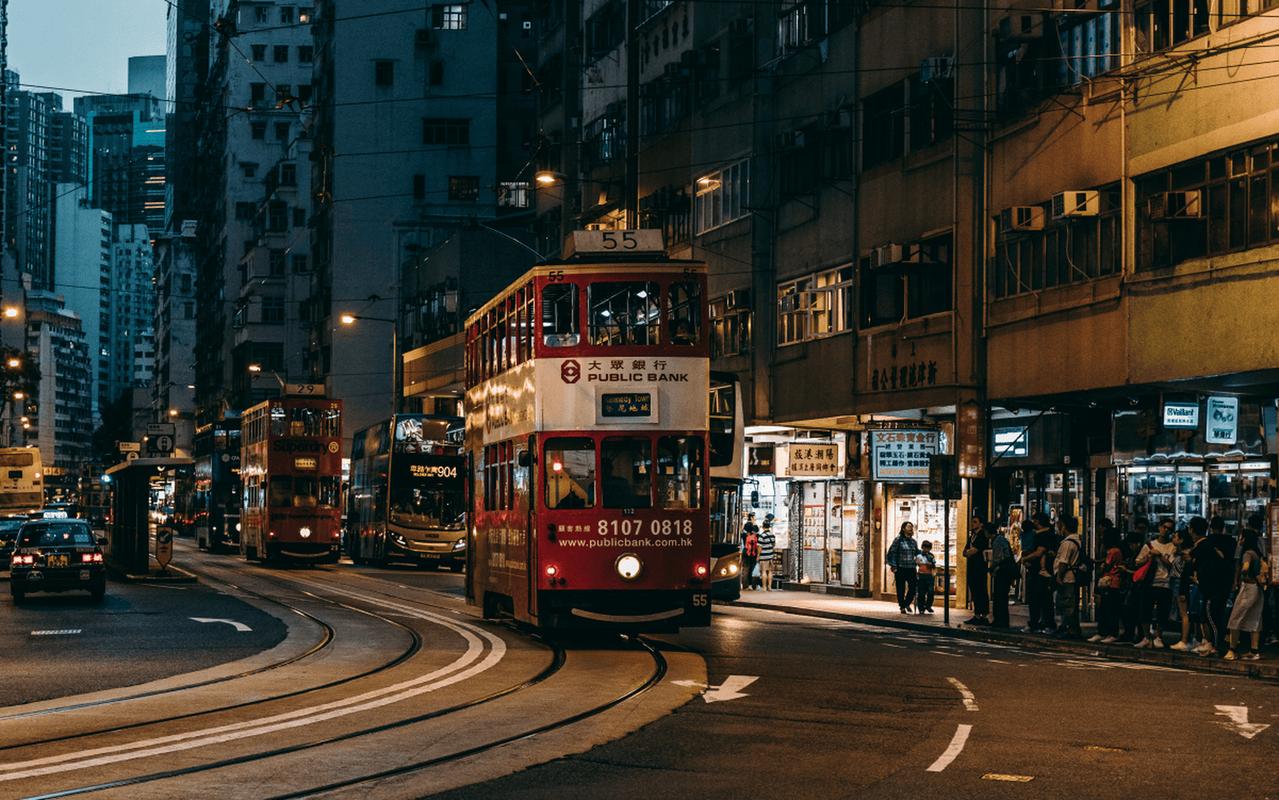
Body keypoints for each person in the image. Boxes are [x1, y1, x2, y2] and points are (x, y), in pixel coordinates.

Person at [1225, 527, 1268, 661]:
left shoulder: (1247, 553)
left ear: (1245, 539)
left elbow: (1245, 567)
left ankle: (1232, 650)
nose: (1239, 540)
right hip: (1259, 588)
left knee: (1235, 618)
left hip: (1249, 587)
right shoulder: (1257, 553)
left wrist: (1243, 575)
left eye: (1241, 537)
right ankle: (1254, 651)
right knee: (1254, 619)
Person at [1195, 515, 1237, 656]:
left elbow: (1194, 558)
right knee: (1219, 613)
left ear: (1211, 528)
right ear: (1223, 527)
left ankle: (1214, 644)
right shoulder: (1231, 542)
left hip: (1211, 584)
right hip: (1225, 582)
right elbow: (1234, 562)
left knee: (1210, 615)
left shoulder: (1207, 542)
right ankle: (1214, 643)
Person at [1133, 517, 1177, 648]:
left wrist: (1159, 555)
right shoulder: (1149, 545)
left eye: (1170, 529)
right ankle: (1146, 637)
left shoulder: (1172, 547)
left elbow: (1172, 566)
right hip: (1150, 582)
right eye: (1164, 527)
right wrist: (1149, 556)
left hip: (1165, 583)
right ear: (1159, 527)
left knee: (1162, 613)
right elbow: (1138, 562)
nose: (1166, 530)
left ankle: (1159, 636)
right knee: (1145, 610)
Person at [1019, 513, 1057, 633]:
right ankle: (1045, 623)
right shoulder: (1050, 534)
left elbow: (1039, 552)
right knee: (1045, 599)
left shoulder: (1042, 535)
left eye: (1035, 521)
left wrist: (1025, 559)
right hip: (1044, 572)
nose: (1033, 523)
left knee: (1037, 599)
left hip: (1039, 573)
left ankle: (1037, 624)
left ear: (1038, 521)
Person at [1090, 525, 1126, 643]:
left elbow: (1106, 566)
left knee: (1109, 609)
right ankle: (1104, 632)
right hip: (1111, 582)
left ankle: (1111, 633)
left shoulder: (1113, 551)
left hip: (1111, 582)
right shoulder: (1115, 551)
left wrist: (1101, 567)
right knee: (1105, 609)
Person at [1052, 515, 1084, 639]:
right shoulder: (1077, 540)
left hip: (1067, 578)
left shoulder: (1068, 543)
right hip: (1072, 577)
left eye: (1059, 524)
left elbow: (1063, 562)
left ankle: (1070, 630)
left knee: (1067, 604)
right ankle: (1072, 628)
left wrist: (1059, 576)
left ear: (1064, 526)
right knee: (1070, 604)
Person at [1170, 527, 1196, 651]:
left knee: (1184, 613)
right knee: (1184, 613)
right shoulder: (1180, 552)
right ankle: (1188, 639)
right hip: (1178, 582)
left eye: (1175, 536)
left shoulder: (1186, 554)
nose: (1173, 538)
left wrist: (1182, 589)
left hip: (1181, 583)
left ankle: (1185, 640)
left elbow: (1185, 573)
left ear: (1181, 539)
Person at [887, 521, 921, 613]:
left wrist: (924, 554)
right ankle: (902, 606)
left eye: (911, 527)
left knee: (913, 587)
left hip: (911, 567)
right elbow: (892, 552)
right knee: (901, 588)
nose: (911, 529)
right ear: (903, 529)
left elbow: (917, 552)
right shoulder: (898, 540)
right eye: (909, 527)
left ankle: (906, 603)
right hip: (900, 567)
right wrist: (893, 565)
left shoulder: (913, 542)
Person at [963, 515, 990, 625]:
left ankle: (982, 615)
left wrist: (969, 552)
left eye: (975, 522)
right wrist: (968, 552)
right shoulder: (972, 536)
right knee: (974, 590)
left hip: (979, 567)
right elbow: (965, 551)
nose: (972, 524)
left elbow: (973, 551)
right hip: (972, 567)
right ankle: (977, 614)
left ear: (981, 524)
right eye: (972, 521)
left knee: (981, 590)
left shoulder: (982, 536)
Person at [989, 523, 1015, 629]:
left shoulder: (997, 541)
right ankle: (1001, 620)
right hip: (1005, 571)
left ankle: (1001, 620)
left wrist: (991, 568)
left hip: (1003, 572)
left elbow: (998, 558)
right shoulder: (1001, 539)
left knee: (1000, 596)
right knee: (1001, 596)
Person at [915, 540, 937, 614]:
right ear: (922, 547)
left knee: (931, 592)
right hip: (921, 575)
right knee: (921, 593)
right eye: (925, 548)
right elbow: (916, 564)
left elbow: (934, 565)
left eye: (928, 548)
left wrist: (930, 564)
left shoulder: (931, 556)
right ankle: (921, 608)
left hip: (929, 575)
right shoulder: (918, 555)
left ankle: (928, 606)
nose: (926, 550)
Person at [741, 513, 760, 591]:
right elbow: (758, 534)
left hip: (746, 551)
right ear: (752, 517)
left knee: (745, 568)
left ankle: (745, 585)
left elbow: (742, 533)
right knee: (751, 569)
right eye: (754, 517)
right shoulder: (755, 531)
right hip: (754, 552)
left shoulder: (745, 534)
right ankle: (750, 585)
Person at [758, 514, 777, 591]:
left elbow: (759, 547)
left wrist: (758, 556)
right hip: (770, 556)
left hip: (763, 556)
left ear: (763, 527)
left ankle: (764, 587)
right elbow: (773, 544)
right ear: (769, 526)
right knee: (770, 572)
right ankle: (769, 586)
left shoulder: (761, 536)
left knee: (763, 572)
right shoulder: (772, 535)